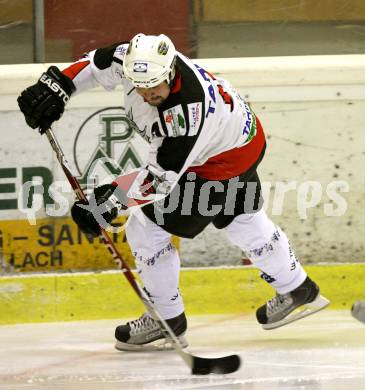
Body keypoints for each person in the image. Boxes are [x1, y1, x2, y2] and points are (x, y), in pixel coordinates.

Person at [17, 33, 329, 351]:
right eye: (140, 85)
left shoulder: (187, 113)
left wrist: (109, 200)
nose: (147, 93)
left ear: (170, 72)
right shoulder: (133, 62)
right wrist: (57, 87)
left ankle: (167, 321)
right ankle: (297, 288)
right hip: (243, 139)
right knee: (241, 218)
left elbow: (159, 180)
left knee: (146, 227)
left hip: (216, 163)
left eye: (154, 85)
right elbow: (95, 64)